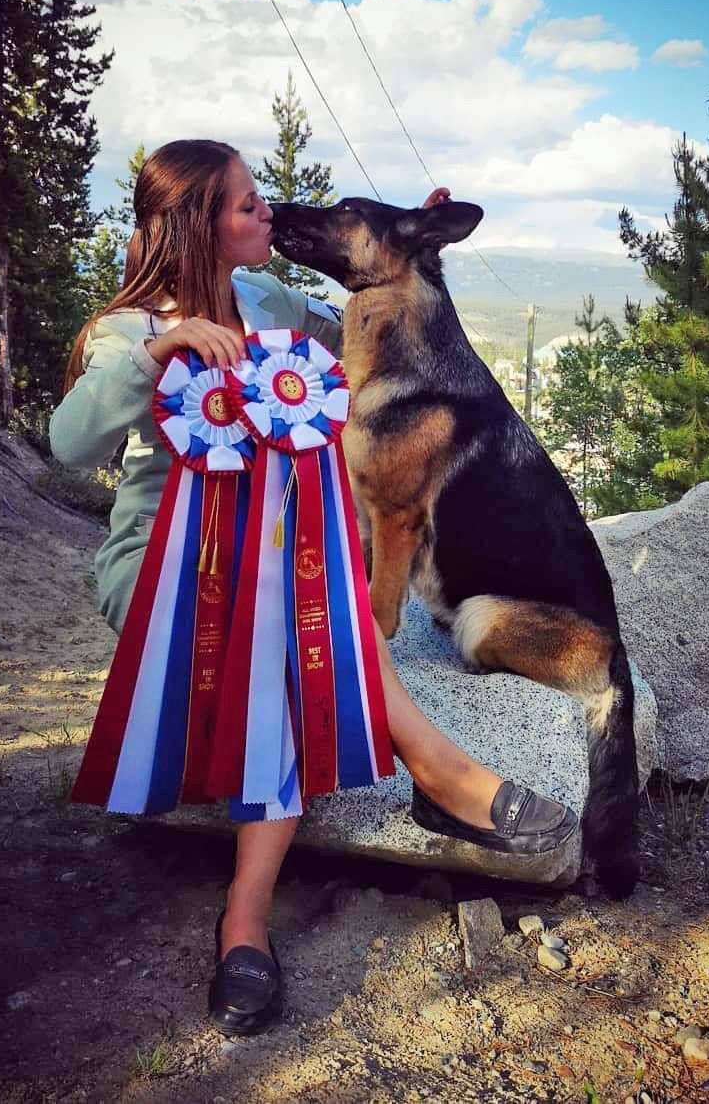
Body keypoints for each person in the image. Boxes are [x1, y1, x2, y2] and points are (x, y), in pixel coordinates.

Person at [50, 139, 575, 1036]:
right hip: (167, 565)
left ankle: (246, 912)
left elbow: (371, 349)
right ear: (198, 226)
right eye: (250, 206)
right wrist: (160, 352)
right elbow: (68, 446)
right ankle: (434, 777)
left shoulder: (270, 300)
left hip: (281, 554)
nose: (269, 216)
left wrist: (413, 249)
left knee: (298, 614)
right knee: (285, 628)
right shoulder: (128, 330)